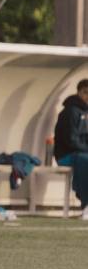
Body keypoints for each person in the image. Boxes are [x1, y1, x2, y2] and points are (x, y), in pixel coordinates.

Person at [54, 79, 88, 214]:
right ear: (78, 92)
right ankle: (86, 203)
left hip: (80, 153)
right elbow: (71, 140)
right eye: (85, 92)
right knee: (85, 160)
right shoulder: (71, 111)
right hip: (65, 155)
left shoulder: (84, 112)